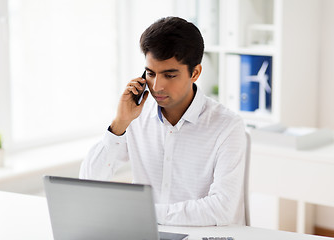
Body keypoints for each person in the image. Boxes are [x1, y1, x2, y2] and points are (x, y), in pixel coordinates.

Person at [80, 16, 247, 226]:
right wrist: (120, 123)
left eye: (169, 75)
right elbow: (88, 181)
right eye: (150, 73)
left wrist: (144, 213)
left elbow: (221, 210)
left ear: (195, 73)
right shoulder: (135, 117)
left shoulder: (227, 126)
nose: (157, 86)